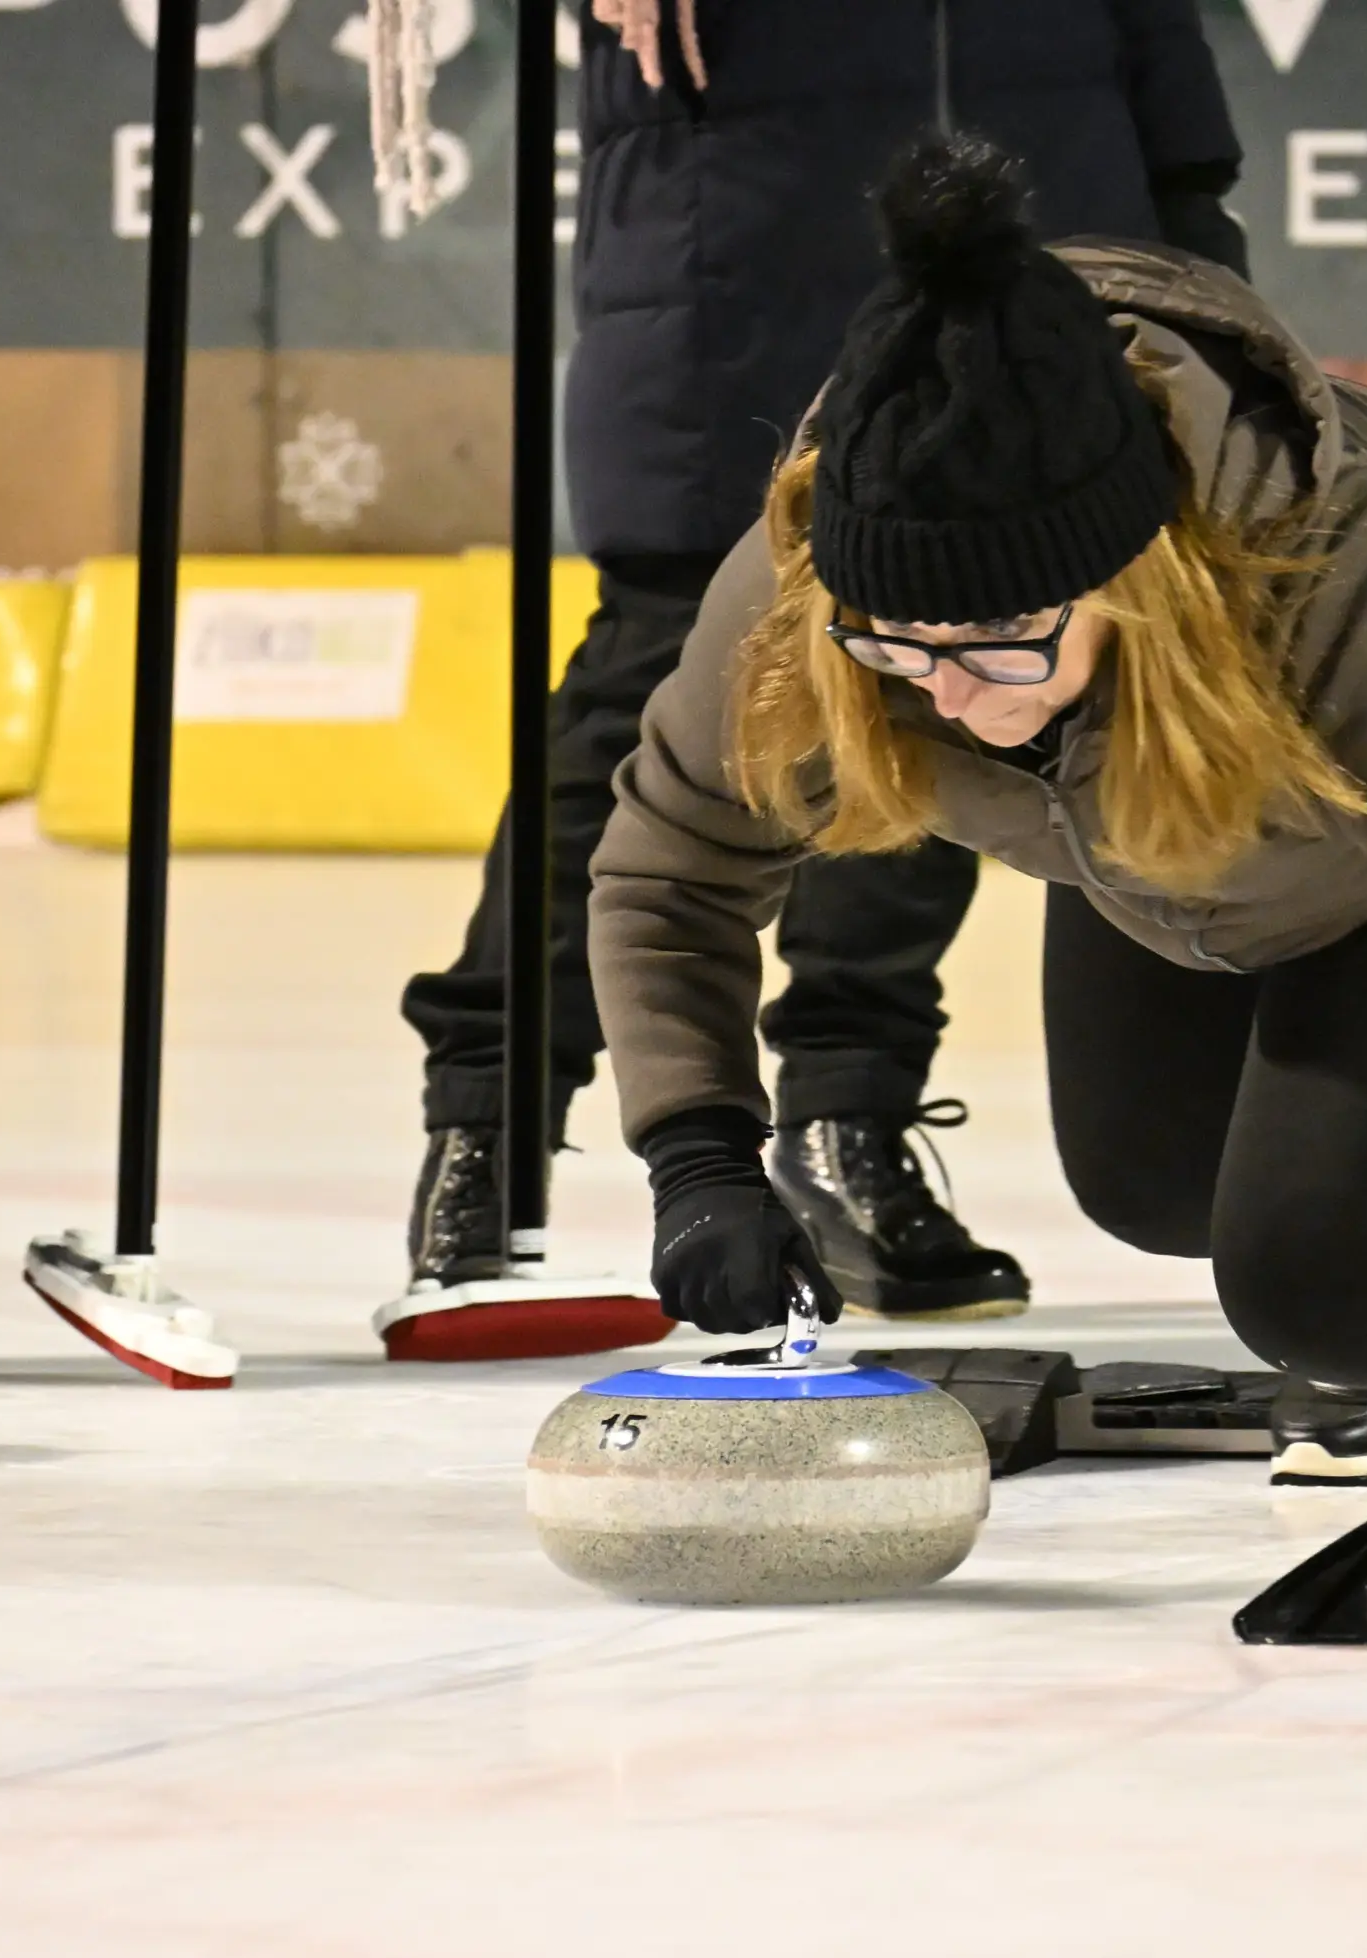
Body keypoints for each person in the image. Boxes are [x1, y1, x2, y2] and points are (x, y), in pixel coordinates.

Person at [588, 137, 1367, 1484]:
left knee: (1324, 1287)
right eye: (898, 647)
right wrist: (702, 1158)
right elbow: (669, 873)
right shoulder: (804, 601)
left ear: (1134, 585)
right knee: (1151, 1182)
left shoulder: (1326, 575)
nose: (949, 694)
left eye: (1003, 642)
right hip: (1195, 826)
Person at [399, 0, 1248, 1322]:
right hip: (738, 209)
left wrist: (1195, 225)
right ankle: (490, 1123)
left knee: (958, 658)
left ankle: (849, 1121)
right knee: (656, 678)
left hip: (1042, 185)